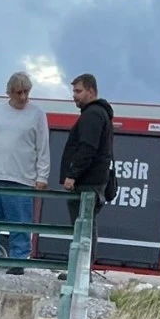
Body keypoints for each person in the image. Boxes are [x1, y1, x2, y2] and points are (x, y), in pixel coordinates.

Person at [0, 71, 50, 275]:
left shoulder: (37, 113)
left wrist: (42, 176)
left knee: (20, 223)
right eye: (19, 92)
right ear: (9, 92)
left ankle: (19, 259)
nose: (23, 97)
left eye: (27, 92)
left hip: (22, 178)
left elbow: (42, 146)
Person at [59, 73, 116, 277]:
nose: (74, 95)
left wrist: (73, 174)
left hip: (86, 183)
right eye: (73, 91)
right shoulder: (101, 114)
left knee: (82, 227)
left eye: (78, 91)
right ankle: (83, 270)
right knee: (87, 225)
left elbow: (88, 148)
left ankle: (80, 272)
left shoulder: (92, 115)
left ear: (91, 91)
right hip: (95, 182)